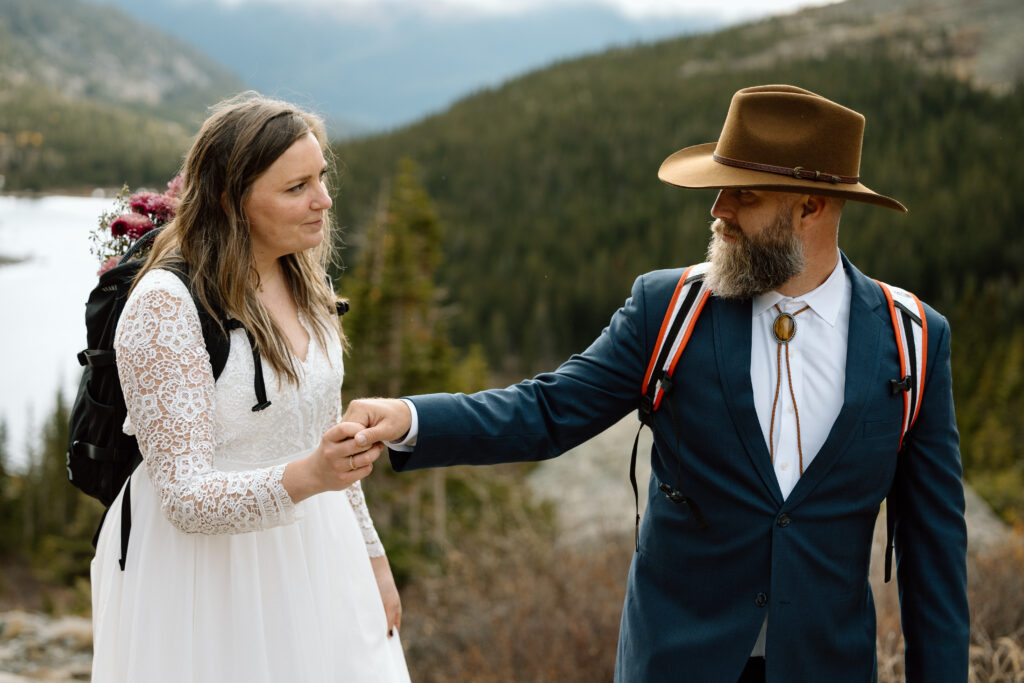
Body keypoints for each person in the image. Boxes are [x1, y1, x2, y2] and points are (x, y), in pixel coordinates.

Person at [344, 85, 969, 682]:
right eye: (719, 190)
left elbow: (934, 555)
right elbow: (547, 411)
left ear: (811, 206)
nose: (718, 210)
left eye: (743, 195)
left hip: (826, 667)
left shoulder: (913, 339)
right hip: (676, 661)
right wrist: (411, 419)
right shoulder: (667, 309)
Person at [90, 92, 409, 683]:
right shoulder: (166, 306)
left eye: (321, 177)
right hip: (206, 578)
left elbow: (321, 434)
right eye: (296, 188)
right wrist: (311, 475)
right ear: (229, 201)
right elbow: (184, 498)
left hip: (318, 550)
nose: (324, 200)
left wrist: (372, 557)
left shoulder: (303, 279)